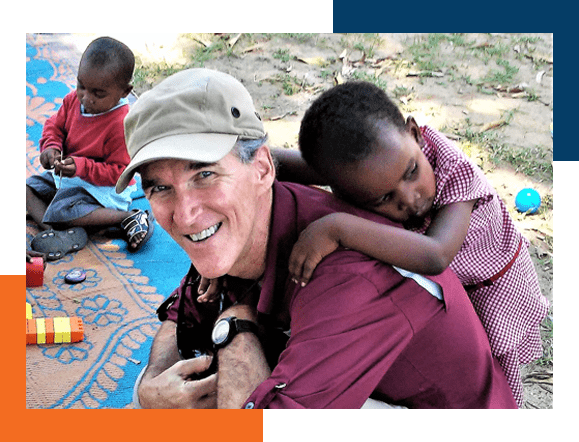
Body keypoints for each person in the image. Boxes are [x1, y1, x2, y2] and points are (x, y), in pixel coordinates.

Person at [115, 67, 517, 409]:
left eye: (204, 174)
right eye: (159, 188)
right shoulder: (243, 218)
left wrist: (237, 328)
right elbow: (181, 315)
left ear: (261, 170)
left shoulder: (353, 276)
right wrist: (153, 382)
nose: (185, 214)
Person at [273, 81, 550, 408]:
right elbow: (279, 161)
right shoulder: (362, 171)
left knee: (490, 373)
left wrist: (338, 228)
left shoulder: (454, 171)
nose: (411, 198)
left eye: (412, 172)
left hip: (493, 284)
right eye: (383, 198)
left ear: (415, 133)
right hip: (448, 288)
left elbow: (436, 255)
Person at [26, 36, 154, 260]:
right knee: (26, 189)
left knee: (64, 210)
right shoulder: (73, 101)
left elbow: (119, 173)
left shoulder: (121, 124)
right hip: (69, 179)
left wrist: (81, 167)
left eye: (98, 93)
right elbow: (54, 126)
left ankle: (128, 216)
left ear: (125, 92)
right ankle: (54, 232)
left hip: (103, 190)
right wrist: (51, 148)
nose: (86, 97)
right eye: (81, 86)